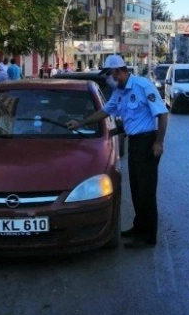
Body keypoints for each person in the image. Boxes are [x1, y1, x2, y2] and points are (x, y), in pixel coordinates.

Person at [66, 55, 168, 249]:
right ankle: (138, 227)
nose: (109, 79)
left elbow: (162, 114)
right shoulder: (119, 92)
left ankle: (148, 236)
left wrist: (159, 142)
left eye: (110, 74)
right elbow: (104, 111)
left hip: (147, 142)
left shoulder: (142, 85)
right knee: (137, 189)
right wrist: (80, 123)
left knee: (146, 191)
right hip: (135, 143)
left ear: (119, 71)